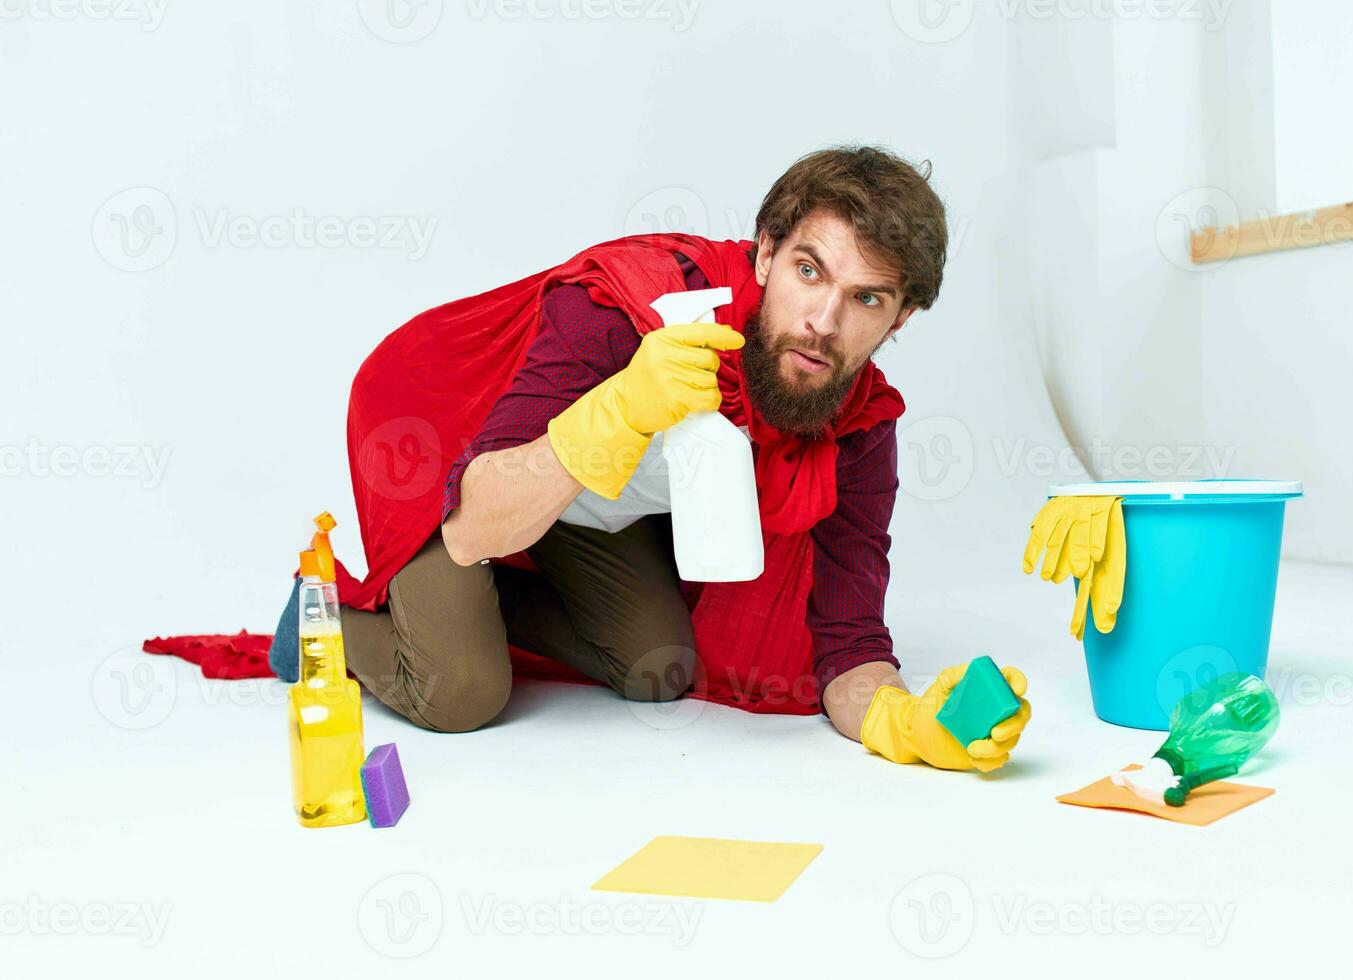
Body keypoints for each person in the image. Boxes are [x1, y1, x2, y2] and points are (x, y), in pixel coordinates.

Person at [269, 145, 1030, 774]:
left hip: (574, 502)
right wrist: (621, 407)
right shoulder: (625, 307)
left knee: (658, 667)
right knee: (461, 690)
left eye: (867, 299)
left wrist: (901, 721)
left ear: (902, 319)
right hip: (444, 430)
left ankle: (464, 609)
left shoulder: (858, 424)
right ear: (766, 251)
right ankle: (322, 620)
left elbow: (849, 639)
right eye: (809, 270)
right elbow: (473, 527)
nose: (823, 322)